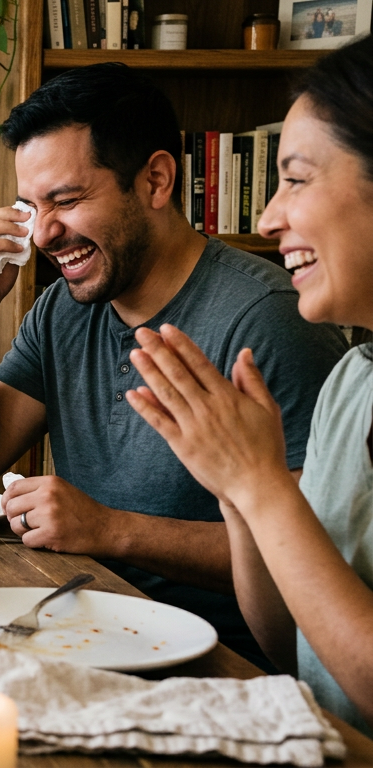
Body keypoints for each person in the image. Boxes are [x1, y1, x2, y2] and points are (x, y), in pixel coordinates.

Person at [0, 62, 348, 668]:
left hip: (219, 661)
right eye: (30, 206)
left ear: (155, 180)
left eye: (67, 200)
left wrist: (109, 529)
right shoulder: (62, 311)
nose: (44, 233)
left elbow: (313, 553)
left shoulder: (268, 320)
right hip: (76, 625)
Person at [126, 36, 373, 734]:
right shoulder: (354, 381)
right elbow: (292, 644)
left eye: (295, 179)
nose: (267, 219)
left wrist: (262, 485)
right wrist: (236, 490)